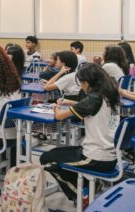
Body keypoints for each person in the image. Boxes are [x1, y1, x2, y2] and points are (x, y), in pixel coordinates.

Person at [40, 63, 120, 204]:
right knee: (60, 153)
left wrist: (56, 107)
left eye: (81, 83)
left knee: (47, 158)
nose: (81, 87)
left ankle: (81, 196)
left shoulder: (93, 98)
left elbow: (59, 116)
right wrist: (69, 102)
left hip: (95, 158)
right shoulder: (110, 93)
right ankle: (90, 186)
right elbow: (86, 106)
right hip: (111, 155)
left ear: (87, 82)